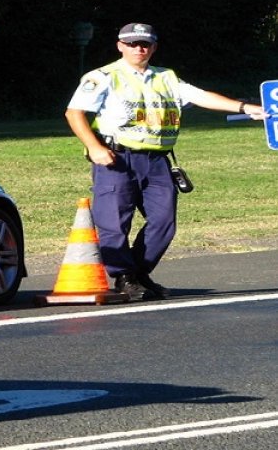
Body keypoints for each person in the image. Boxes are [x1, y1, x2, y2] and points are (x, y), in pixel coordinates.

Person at [65, 22, 266, 301]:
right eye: (133, 43)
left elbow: (201, 96)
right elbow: (74, 113)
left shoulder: (166, 77)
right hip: (117, 158)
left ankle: (138, 273)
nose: (139, 48)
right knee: (113, 222)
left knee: (163, 221)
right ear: (120, 46)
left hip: (157, 159)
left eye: (145, 44)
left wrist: (246, 107)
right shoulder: (103, 77)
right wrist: (94, 147)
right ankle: (124, 276)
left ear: (154, 47)